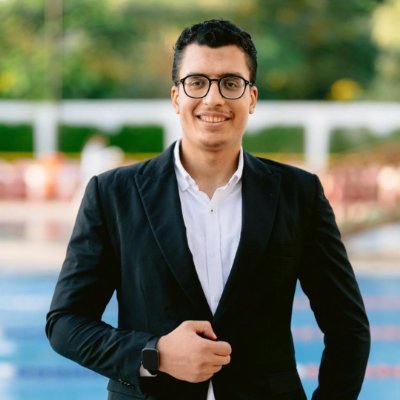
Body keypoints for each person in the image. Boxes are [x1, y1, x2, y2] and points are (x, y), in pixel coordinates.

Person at [46, 19, 370, 400]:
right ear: (175, 97)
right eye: (197, 82)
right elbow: (65, 323)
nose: (213, 99)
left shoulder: (299, 194)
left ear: (251, 98)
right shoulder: (113, 194)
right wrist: (155, 354)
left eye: (230, 83)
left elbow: (348, 328)